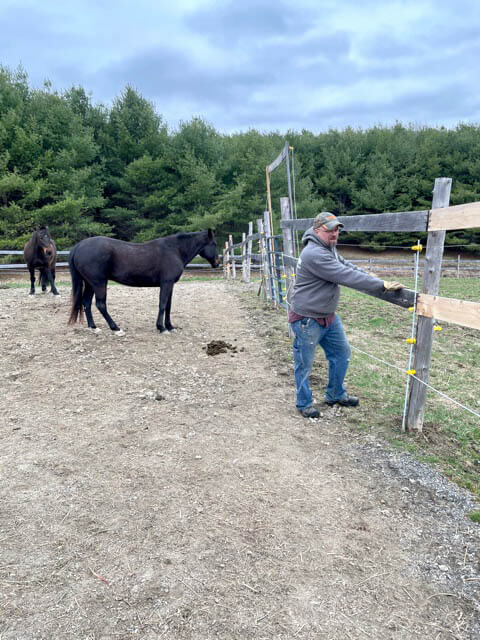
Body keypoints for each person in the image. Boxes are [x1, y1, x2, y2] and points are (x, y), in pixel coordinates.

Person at [289, 211, 405, 418]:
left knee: (341, 353)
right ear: (317, 231)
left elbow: (347, 266)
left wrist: (369, 276)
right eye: (330, 230)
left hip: (327, 316)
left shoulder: (327, 248)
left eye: (337, 230)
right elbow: (344, 275)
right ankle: (303, 403)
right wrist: (380, 285)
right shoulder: (314, 253)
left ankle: (335, 394)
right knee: (304, 363)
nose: (334, 234)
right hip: (308, 319)